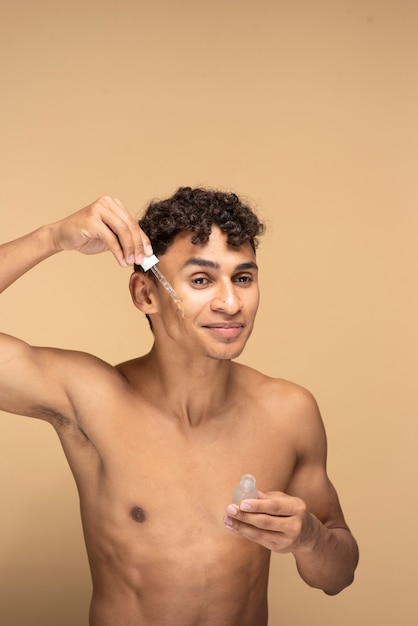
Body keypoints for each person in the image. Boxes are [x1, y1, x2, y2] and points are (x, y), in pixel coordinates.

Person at [0, 188, 358, 626]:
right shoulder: (90, 398)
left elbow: (337, 577)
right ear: (145, 294)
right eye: (202, 280)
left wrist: (310, 539)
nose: (231, 304)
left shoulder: (289, 412)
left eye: (243, 278)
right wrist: (51, 237)